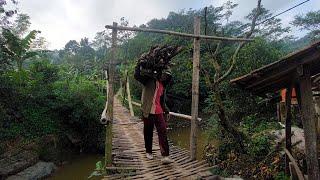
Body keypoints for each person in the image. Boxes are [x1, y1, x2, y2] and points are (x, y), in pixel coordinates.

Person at [134, 65, 173, 164]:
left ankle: (165, 155)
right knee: (148, 132)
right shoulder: (148, 80)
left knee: (163, 131)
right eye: (164, 74)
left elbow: (161, 101)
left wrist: (166, 110)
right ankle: (149, 151)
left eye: (166, 76)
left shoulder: (162, 85)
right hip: (148, 110)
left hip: (158, 111)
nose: (165, 76)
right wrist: (138, 65)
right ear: (159, 73)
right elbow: (137, 75)